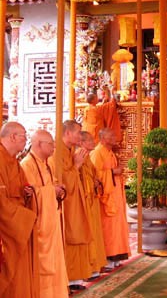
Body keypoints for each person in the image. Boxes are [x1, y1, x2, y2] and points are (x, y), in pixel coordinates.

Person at [21, 130, 69, 297]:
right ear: (39, 144)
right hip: (40, 224)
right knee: (44, 263)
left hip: (52, 220)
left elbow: (46, 187)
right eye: (50, 144)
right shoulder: (27, 165)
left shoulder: (46, 163)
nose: (54, 147)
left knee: (55, 260)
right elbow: (30, 194)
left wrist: (57, 189)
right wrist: (51, 191)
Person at [49, 119, 92, 291]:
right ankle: (67, 279)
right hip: (66, 203)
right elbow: (61, 179)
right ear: (67, 133)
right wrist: (76, 166)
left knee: (78, 235)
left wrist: (76, 167)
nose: (79, 136)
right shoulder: (56, 152)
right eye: (77, 133)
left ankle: (75, 278)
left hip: (76, 201)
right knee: (69, 236)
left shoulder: (70, 150)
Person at [0, 122, 39, 297]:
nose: (26, 140)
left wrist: (27, 193)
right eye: (24, 135)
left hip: (19, 223)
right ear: (13, 137)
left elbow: (22, 188)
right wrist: (24, 217)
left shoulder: (14, 161)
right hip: (8, 227)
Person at [90, 128, 130, 268]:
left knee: (117, 228)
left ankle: (116, 256)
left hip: (115, 196)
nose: (114, 137)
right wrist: (113, 171)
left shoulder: (110, 153)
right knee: (108, 229)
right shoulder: (97, 153)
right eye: (111, 136)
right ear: (102, 138)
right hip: (106, 198)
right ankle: (107, 258)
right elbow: (95, 175)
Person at [78, 131, 107, 279]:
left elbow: (93, 175)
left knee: (95, 233)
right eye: (89, 140)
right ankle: (88, 269)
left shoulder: (88, 157)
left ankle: (95, 267)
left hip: (92, 199)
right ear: (81, 142)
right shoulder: (79, 157)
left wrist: (96, 182)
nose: (93, 142)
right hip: (84, 201)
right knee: (89, 234)